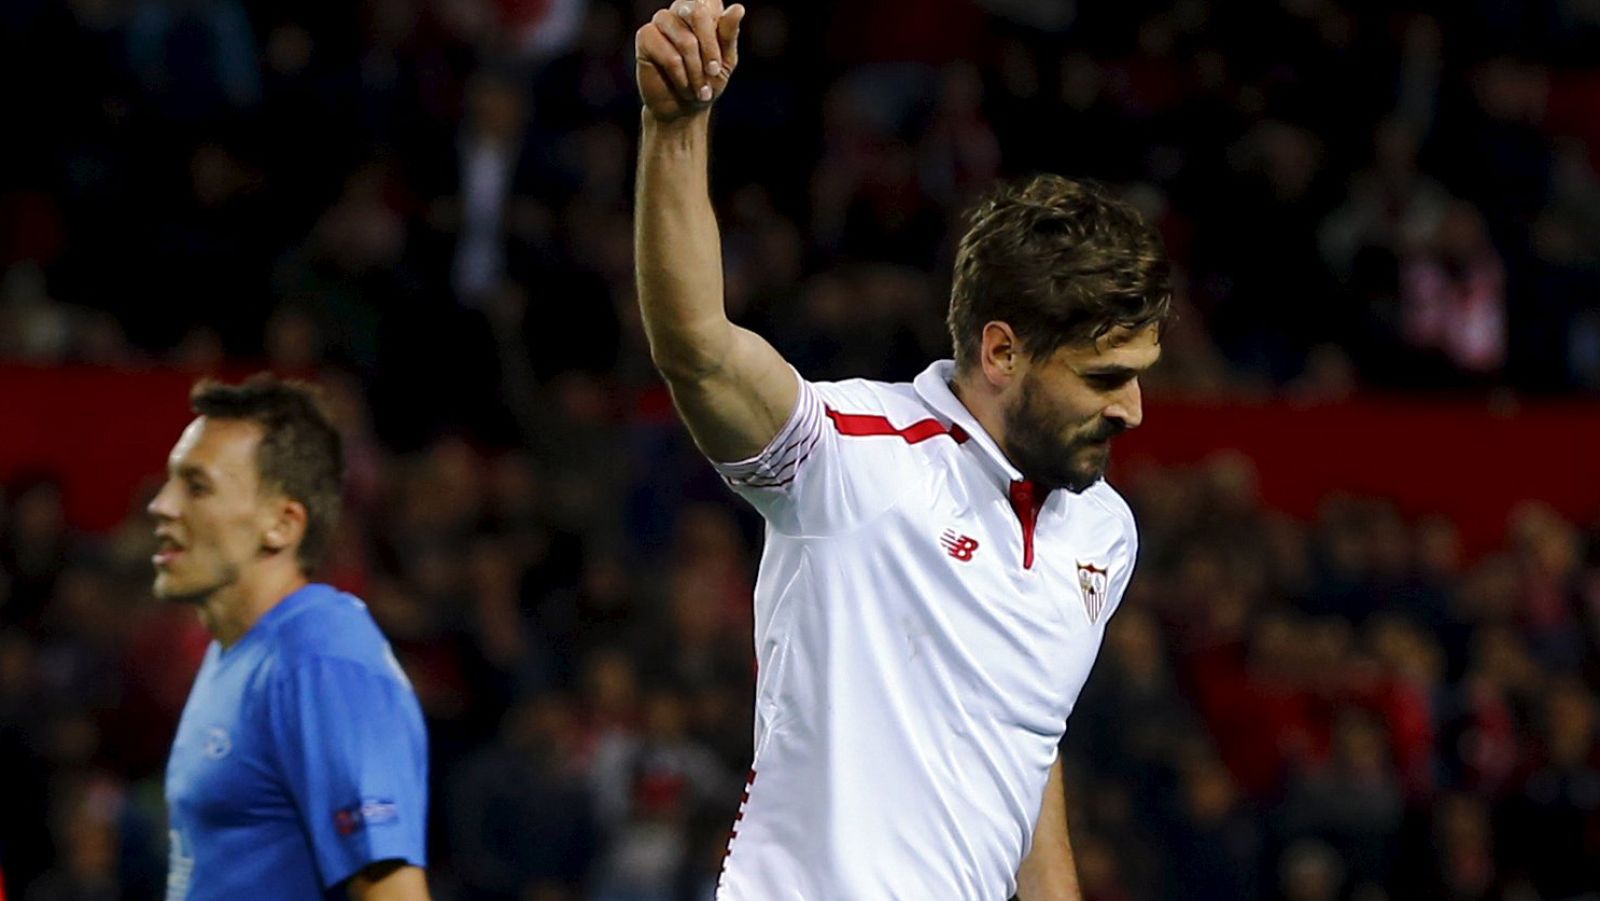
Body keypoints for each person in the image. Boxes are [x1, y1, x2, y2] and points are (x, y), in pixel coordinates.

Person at [633, 2, 1171, 898]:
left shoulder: (1104, 533)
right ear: (1002, 352)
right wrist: (677, 126)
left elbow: (1025, 749)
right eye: (1105, 377)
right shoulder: (853, 456)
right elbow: (698, 347)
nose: (1134, 410)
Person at [150, 377, 430, 900]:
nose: (161, 505)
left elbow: (394, 893)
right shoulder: (236, 653)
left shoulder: (322, 659)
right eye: (170, 482)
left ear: (282, 524)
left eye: (197, 487)